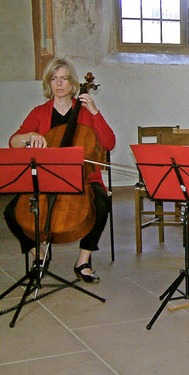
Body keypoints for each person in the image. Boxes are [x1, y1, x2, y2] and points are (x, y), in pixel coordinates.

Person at [3, 57, 116, 283]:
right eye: (54, 79)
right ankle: (39, 254)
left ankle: (83, 261)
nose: (59, 84)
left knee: (102, 203)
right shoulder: (39, 112)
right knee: (11, 212)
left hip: (82, 178)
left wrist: (95, 112)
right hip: (46, 179)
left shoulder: (85, 112)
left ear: (73, 83)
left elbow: (109, 143)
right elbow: (13, 142)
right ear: (48, 83)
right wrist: (29, 137)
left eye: (64, 78)